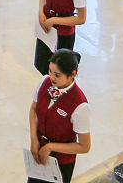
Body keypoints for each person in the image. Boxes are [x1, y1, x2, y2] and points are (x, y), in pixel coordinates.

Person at [29, 49, 91, 183]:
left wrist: (51, 147)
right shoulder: (45, 81)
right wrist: (34, 138)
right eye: (50, 71)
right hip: (38, 150)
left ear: (72, 74)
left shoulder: (80, 105)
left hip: (61, 162)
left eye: (57, 75)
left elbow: (84, 146)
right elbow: (33, 108)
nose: (51, 77)